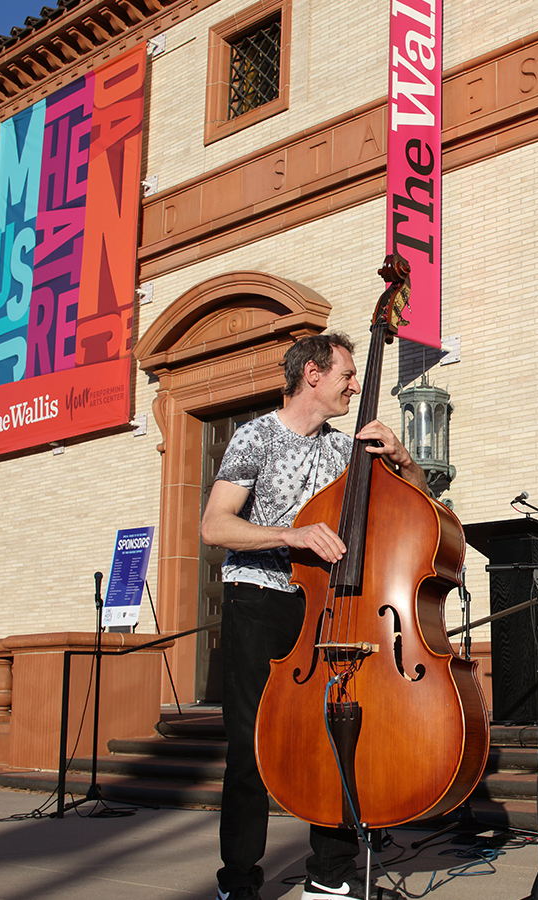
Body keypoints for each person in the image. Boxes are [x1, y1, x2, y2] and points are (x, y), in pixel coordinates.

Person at [200, 332, 425, 900]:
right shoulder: (255, 436)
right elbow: (214, 525)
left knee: (335, 734)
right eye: (348, 374)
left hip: (324, 607)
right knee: (251, 744)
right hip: (258, 598)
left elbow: (418, 506)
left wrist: (402, 458)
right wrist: (290, 533)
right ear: (313, 376)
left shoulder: (344, 449)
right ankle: (240, 878)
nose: (356, 384)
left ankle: (331, 871)